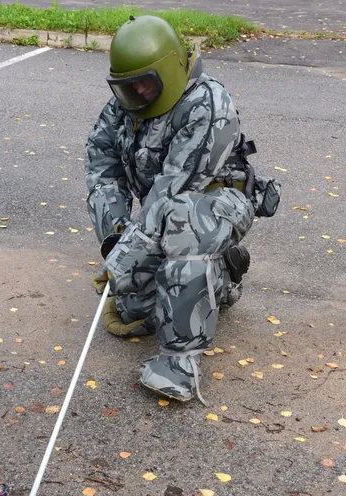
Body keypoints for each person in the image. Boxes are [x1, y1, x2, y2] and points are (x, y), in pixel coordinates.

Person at [85, 15, 280, 403]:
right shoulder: (125, 105)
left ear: (170, 69)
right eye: (127, 85)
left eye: (146, 82)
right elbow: (101, 170)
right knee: (134, 307)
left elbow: (173, 189)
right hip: (164, 213)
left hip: (216, 204)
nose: (137, 92)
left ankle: (179, 366)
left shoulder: (208, 105)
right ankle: (220, 278)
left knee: (180, 221)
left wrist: (128, 256)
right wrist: (117, 238)